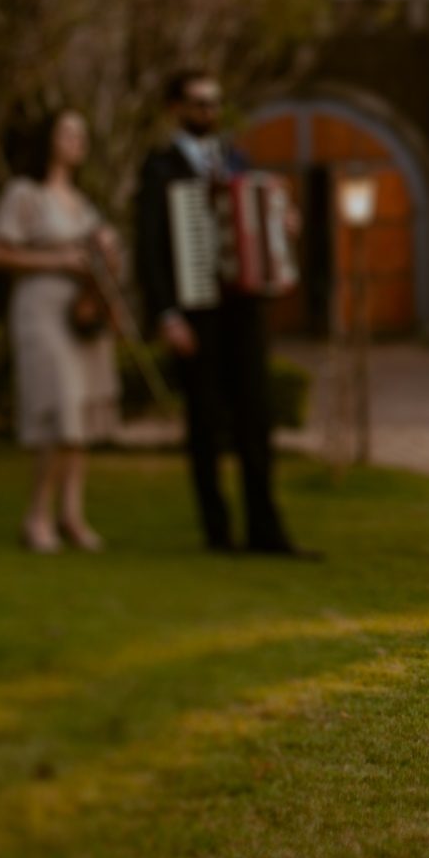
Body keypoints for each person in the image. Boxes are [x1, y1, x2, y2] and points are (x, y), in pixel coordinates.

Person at [134, 71, 302, 556]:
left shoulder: (237, 160)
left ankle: (266, 530)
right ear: (175, 109)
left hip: (244, 308)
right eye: (198, 102)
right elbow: (150, 247)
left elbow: (266, 221)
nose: (209, 111)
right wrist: (167, 314)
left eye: (215, 102)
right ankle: (217, 531)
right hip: (195, 308)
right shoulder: (160, 168)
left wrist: (284, 225)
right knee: (205, 422)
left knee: (256, 417)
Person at [0, 109, 120, 554]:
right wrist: (56, 261)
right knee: (58, 407)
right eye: (67, 133)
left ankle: (72, 516)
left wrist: (107, 251)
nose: (77, 141)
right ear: (48, 139)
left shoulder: (84, 203)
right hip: (41, 308)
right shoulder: (25, 194)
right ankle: (37, 516)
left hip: (83, 313)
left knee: (79, 415)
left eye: (82, 133)